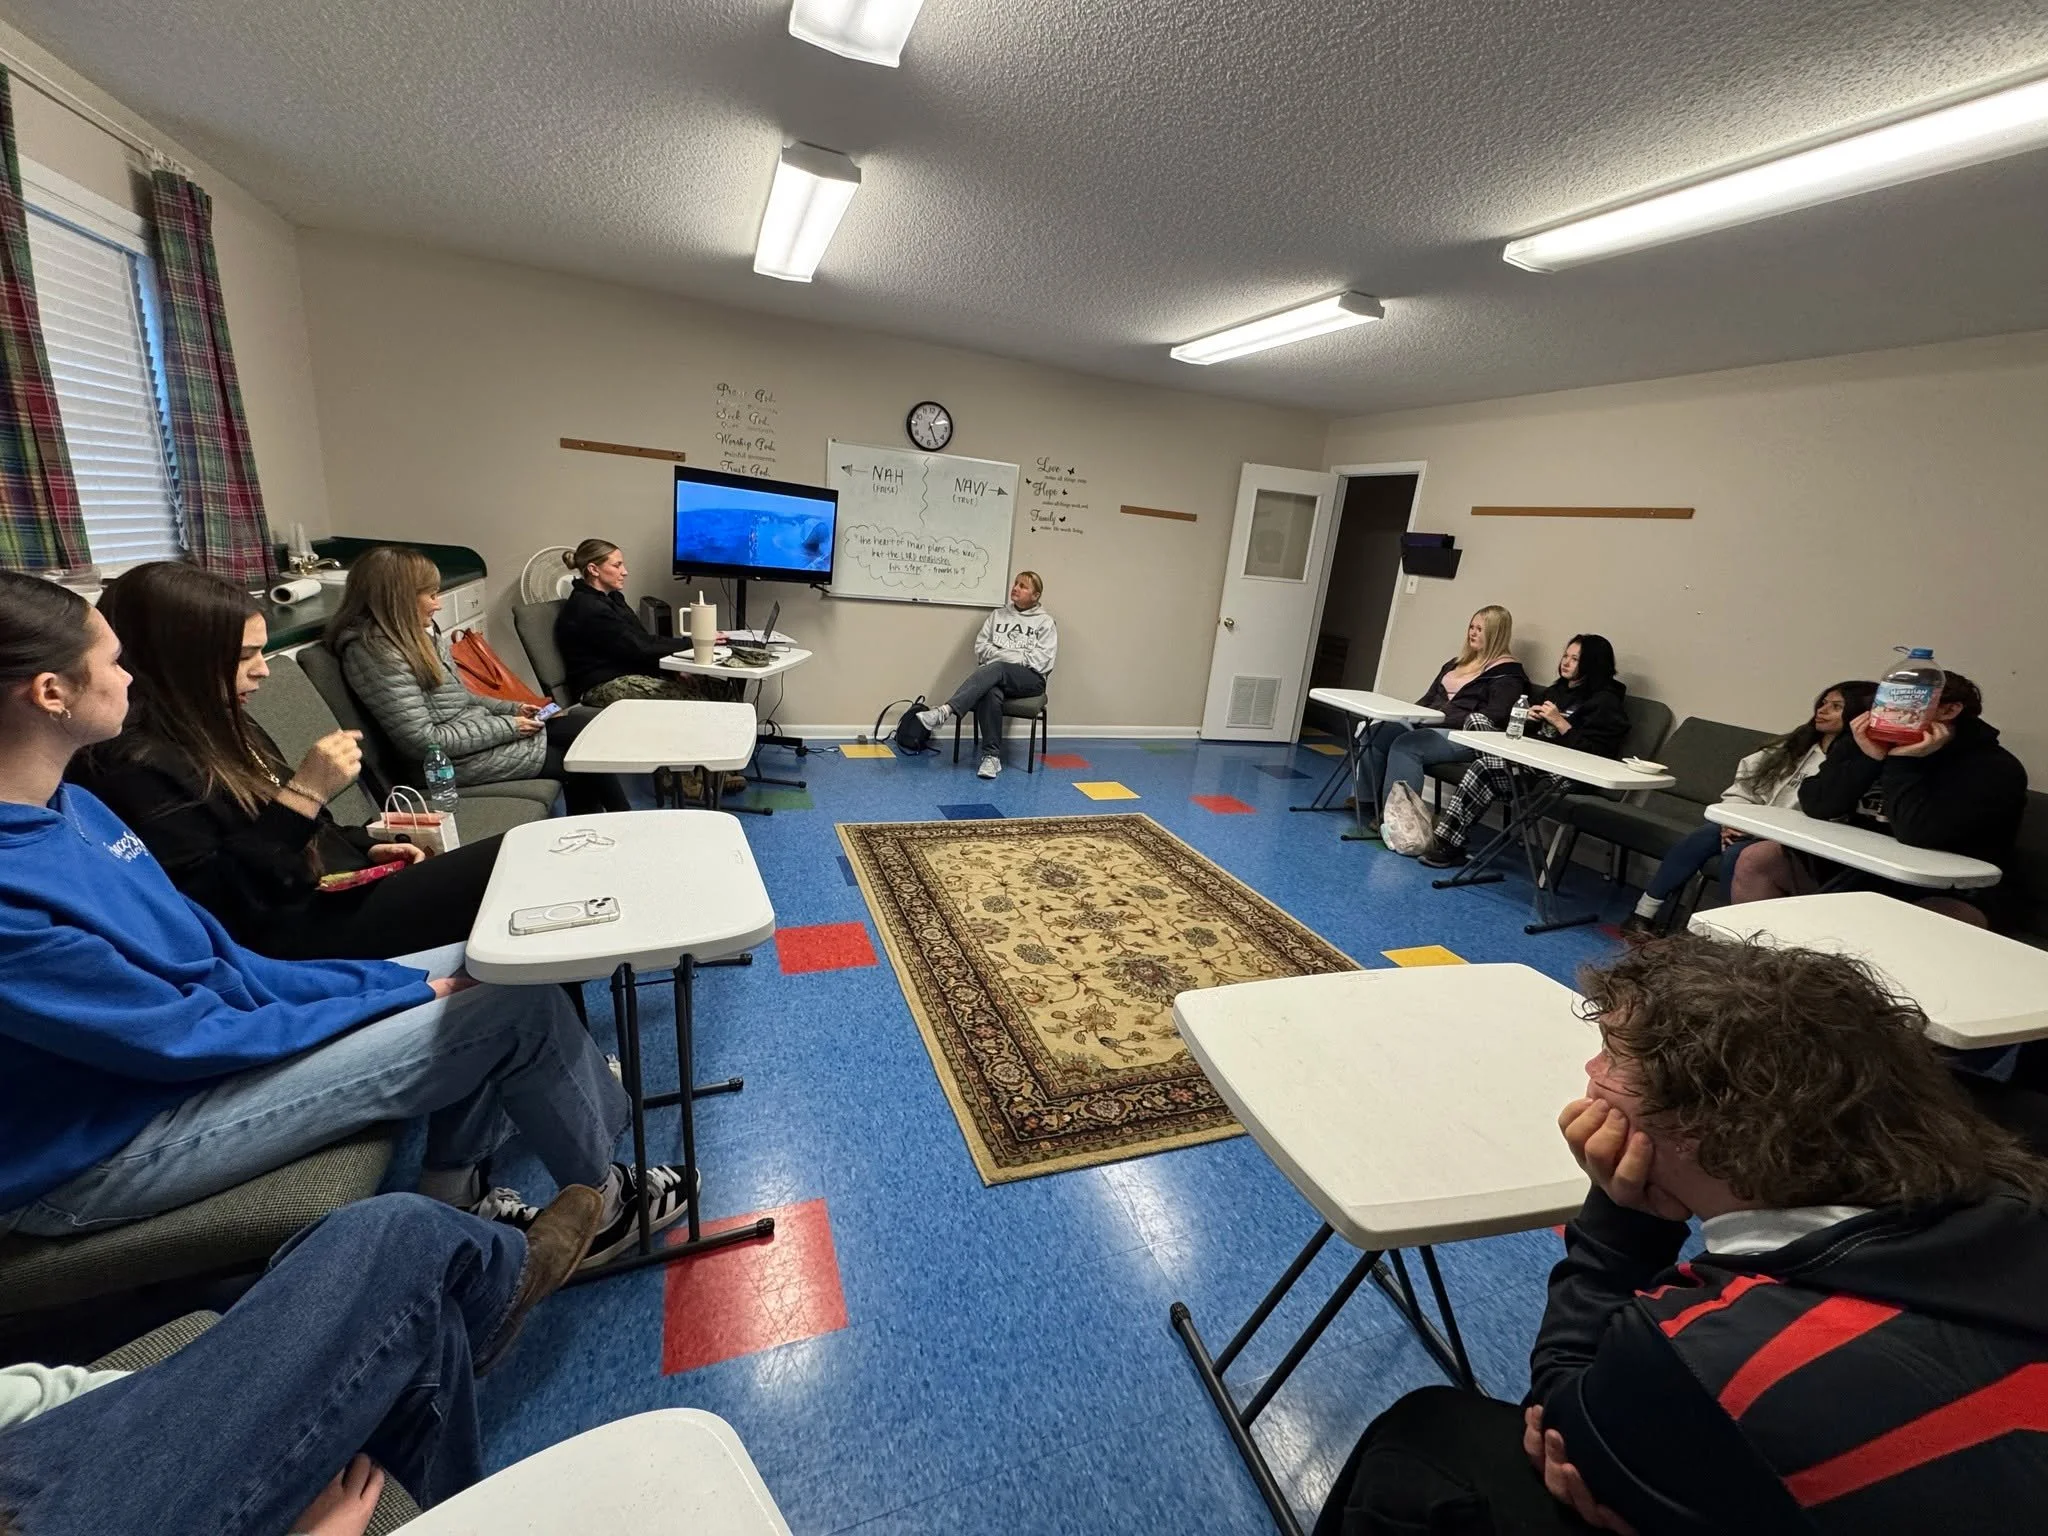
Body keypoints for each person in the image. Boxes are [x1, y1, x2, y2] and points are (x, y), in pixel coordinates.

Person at [0, 570, 689, 1265]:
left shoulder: (73, 808)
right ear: (52, 693)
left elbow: (222, 963)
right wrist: (386, 999)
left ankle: (460, 1194)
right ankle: (602, 1208)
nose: (130, 678)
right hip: (96, 1151)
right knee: (509, 1011)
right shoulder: (19, 884)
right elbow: (180, 1036)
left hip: (183, 1058)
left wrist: (396, 987)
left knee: (496, 967)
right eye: (114, 663)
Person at [1315, 937, 2048, 1535]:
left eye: (1613, 1060)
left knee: (1427, 1438)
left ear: (1701, 1127)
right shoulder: (2011, 1186)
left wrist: (1623, 1216)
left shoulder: (1705, 1357)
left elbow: (1564, 1412)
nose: (1589, 1070)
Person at [0, 1189, 602, 1536]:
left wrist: (197, 1389)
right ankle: (505, 1290)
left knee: (429, 1329)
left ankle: (459, 1509)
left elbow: (36, 1396)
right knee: (398, 1235)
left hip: (34, 1453)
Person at [70, 561, 501, 961]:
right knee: (500, 868)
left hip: (324, 891)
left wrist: (365, 846)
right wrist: (307, 792)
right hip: (288, 940)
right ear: (179, 659)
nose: (263, 670)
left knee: (513, 861)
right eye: (244, 656)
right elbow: (219, 906)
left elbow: (297, 829)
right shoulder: (131, 765)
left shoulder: (223, 721)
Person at [327, 546, 627, 816]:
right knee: (580, 762)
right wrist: (510, 727)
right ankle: (619, 822)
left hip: (472, 744)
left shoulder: (415, 637)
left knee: (580, 731)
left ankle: (612, 824)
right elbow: (422, 741)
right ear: (399, 600)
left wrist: (514, 710)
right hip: (448, 764)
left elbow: (462, 698)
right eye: (431, 595)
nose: (438, 605)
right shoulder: (376, 654)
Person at [1729, 670, 2028, 929]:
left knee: (1919, 919)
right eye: (1885, 704)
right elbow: (1817, 804)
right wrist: (1867, 758)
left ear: (1949, 711)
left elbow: (1918, 834)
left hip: (1949, 888)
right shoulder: (1864, 741)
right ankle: (1753, 961)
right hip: (1855, 867)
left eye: (1906, 706)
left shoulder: (1993, 768)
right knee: (1759, 859)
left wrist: (1903, 762)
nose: (1888, 714)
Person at [1618, 679, 1876, 940]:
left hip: (1791, 843)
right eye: (1823, 703)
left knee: (1739, 855)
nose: (1822, 710)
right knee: (1705, 836)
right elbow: (1745, 786)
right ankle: (1642, 914)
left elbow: (1830, 817)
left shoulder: (1853, 764)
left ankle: (1726, 936)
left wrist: (1760, 832)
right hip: (1750, 826)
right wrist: (1733, 820)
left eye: (1836, 707)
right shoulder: (1792, 747)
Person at [1416, 635, 1627, 868]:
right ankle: (1503, 769)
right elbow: (1528, 737)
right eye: (1565, 656)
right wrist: (1526, 719)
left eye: (1575, 659)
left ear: (1592, 664)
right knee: (1476, 720)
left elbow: (1598, 755)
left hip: (1562, 775)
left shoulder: (1606, 703)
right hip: (1530, 762)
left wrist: (1561, 724)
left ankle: (1447, 844)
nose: (1565, 662)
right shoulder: (1556, 691)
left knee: (1484, 768)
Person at [1358, 606, 1528, 829]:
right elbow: (1428, 698)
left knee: (1408, 746)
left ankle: (1399, 821)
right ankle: (1367, 802)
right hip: (1431, 724)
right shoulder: (1456, 663)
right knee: (1375, 733)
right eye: (1471, 627)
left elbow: (1495, 716)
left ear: (1496, 634)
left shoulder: (1508, 675)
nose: (1472, 633)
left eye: (1480, 629)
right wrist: (1411, 715)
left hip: (1467, 736)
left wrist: (1440, 719)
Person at [553, 538, 733, 707]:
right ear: (593, 569)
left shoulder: (613, 599)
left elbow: (640, 642)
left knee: (720, 689)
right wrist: (693, 642)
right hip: (600, 685)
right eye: (617, 565)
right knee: (695, 702)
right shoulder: (588, 608)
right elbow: (640, 647)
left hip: (630, 672)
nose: (624, 572)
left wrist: (671, 671)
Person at [912, 571, 1057, 780]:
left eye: (1023, 586)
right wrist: (1013, 656)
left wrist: (1001, 656)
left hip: (1030, 680)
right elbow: (980, 648)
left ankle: (945, 711)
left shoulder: (1045, 622)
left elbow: (1041, 660)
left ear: (1036, 595)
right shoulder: (997, 615)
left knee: (997, 668)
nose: (1015, 588)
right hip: (997, 676)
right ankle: (991, 757)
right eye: (1015, 583)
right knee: (990, 692)